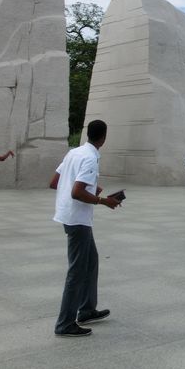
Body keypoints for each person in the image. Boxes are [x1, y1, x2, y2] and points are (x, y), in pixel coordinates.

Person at [51, 119, 120, 337]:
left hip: (69, 215)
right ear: (104, 137)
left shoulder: (75, 153)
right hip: (77, 219)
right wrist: (104, 201)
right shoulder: (90, 158)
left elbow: (55, 182)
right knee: (77, 271)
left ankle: (87, 309)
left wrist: (92, 186)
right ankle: (65, 323)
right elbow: (76, 192)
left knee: (91, 261)